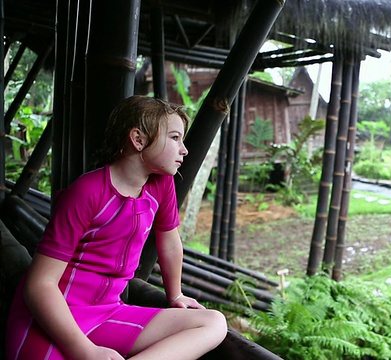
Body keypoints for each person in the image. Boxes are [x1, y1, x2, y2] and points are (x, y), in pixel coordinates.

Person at [6, 95, 227, 360]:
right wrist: (84, 350)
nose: (185, 150)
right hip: (54, 317)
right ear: (138, 139)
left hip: (108, 311)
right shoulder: (88, 192)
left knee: (213, 323)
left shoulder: (161, 185)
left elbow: (169, 241)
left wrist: (175, 293)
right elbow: (39, 284)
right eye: (175, 138)